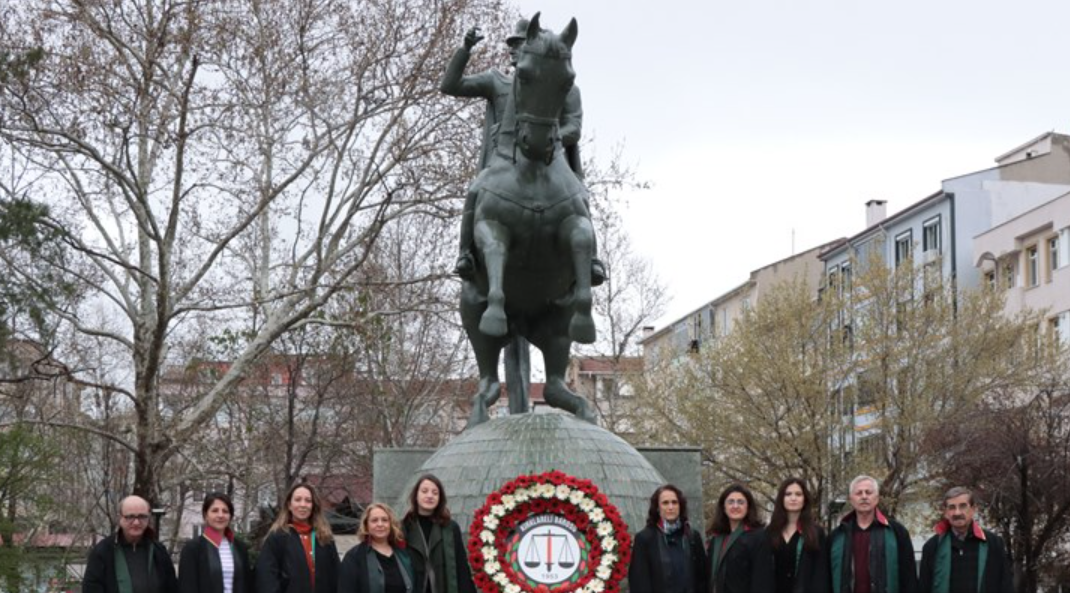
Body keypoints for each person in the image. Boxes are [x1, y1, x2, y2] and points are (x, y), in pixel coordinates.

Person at [440, 19, 604, 285]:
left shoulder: (566, 89)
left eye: (520, 44)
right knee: (475, 190)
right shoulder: (497, 82)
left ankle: (592, 259)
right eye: (512, 44)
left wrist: (553, 137)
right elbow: (450, 85)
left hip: (552, 159)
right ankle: (466, 254)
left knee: (581, 196)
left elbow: (573, 127)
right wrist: (465, 49)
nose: (513, 49)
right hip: (505, 163)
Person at [829, 475, 918, 593]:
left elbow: (909, 577)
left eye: (868, 492)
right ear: (851, 499)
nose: (864, 496)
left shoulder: (896, 532)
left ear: (877, 498)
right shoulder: (837, 536)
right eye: (859, 493)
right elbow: (827, 578)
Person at [918, 487, 1013, 593]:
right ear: (945, 512)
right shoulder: (933, 547)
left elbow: (1006, 585)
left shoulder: (993, 544)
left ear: (973, 509)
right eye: (952, 507)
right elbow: (924, 587)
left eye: (963, 506)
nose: (957, 513)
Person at [82, 494, 178, 593]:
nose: (136, 522)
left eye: (142, 517)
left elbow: (171, 587)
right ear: (120, 518)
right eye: (130, 517)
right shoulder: (103, 552)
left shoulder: (158, 552)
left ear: (148, 518)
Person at [256, 482, 340, 593]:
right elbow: (267, 580)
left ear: (313, 506)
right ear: (289, 505)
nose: (303, 505)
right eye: (298, 500)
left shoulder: (324, 538)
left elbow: (337, 577)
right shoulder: (277, 537)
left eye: (308, 501)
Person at [400, 475, 475, 593]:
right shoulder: (404, 528)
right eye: (424, 491)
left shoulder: (450, 528)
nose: (430, 496)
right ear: (416, 496)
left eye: (435, 493)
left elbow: (461, 568)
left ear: (440, 498)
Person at [628, 484, 706, 593]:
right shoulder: (645, 539)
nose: (670, 507)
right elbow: (639, 582)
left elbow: (703, 578)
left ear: (680, 506)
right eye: (665, 503)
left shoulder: (692, 537)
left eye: (674, 502)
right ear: (657, 508)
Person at [178, 492, 254, 593]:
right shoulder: (193, 548)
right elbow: (187, 587)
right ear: (206, 515)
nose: (220, 515)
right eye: (215, 511)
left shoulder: (240, 548)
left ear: (230, 516)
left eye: (225, 511)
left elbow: (247, 585)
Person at [706, 484, 774, 593]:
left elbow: (762, 580)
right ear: (724, 507)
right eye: (730, 502)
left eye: (741, 502)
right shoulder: (716, 538)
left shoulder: (759, 537)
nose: (735, 506)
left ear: (748, 507)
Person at [766, 478, 829, 593]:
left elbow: (821, 574)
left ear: (804, 499)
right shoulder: (769, 532)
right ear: (782, 499)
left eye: (798, 494)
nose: (793, 498)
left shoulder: (815, 533)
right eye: (788, 494)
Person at [338, 503, 416, 593]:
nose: (380, 524)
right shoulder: (354, 557)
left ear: (391, 524)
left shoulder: (403, 553)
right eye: (374, 520)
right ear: (366, 525)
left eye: (385, 520)